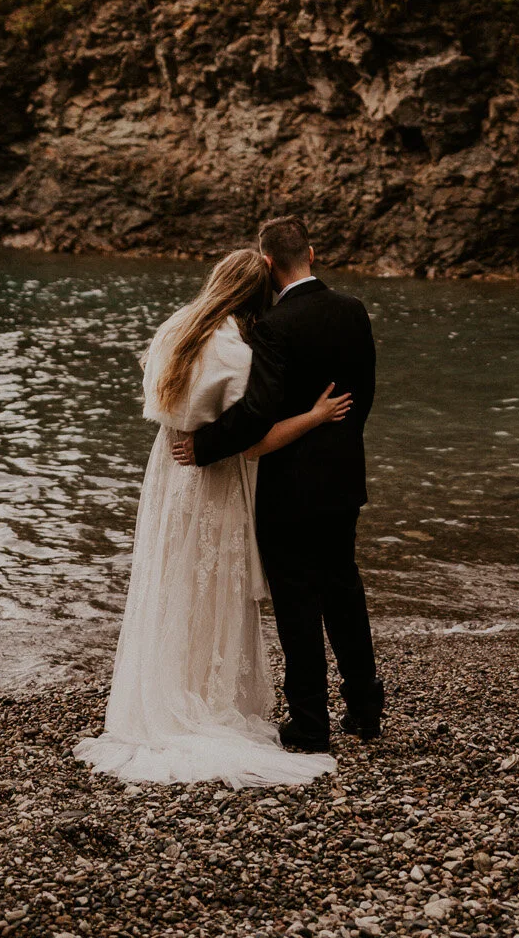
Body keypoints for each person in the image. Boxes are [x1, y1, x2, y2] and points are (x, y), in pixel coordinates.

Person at [73, 245, 348, 787]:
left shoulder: (176, 327)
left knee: (172, 580)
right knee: (212, 587)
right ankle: (203, 699)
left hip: (167, 474)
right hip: (212, 478)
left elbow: (160, 402)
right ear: (255, 296)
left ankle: (166, 688)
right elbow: (253, 443)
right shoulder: (235, 352)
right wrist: (315, 416)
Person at [173, 214, 384, 753]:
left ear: (267, 264)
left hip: (288, 485)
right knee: (344, 591)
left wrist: (203, 446)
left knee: (296, 602)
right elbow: (365, 394)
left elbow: (257, 414)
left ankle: (310, 724)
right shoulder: (353, 311)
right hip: (343, 477)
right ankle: (364, 708)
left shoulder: (273, 327)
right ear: (311, 253)